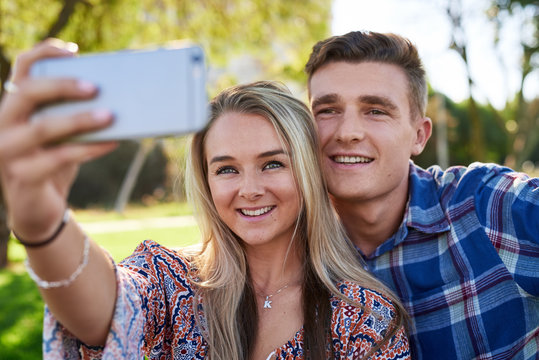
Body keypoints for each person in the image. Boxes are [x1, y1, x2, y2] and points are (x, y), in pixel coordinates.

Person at [0, 40, 410, 359]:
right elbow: (102, 312)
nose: (249, 189)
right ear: (206, 180)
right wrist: (42, 219)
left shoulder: (364, 318)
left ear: (307, 170)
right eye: (226, 169)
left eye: (272, 164)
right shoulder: (172, 279)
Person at [304, 30, 539, 359]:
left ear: (419, 136)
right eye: (327, 110)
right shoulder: (291, 250)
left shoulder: (485, 205)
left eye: (376, 111)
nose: (348, 132)